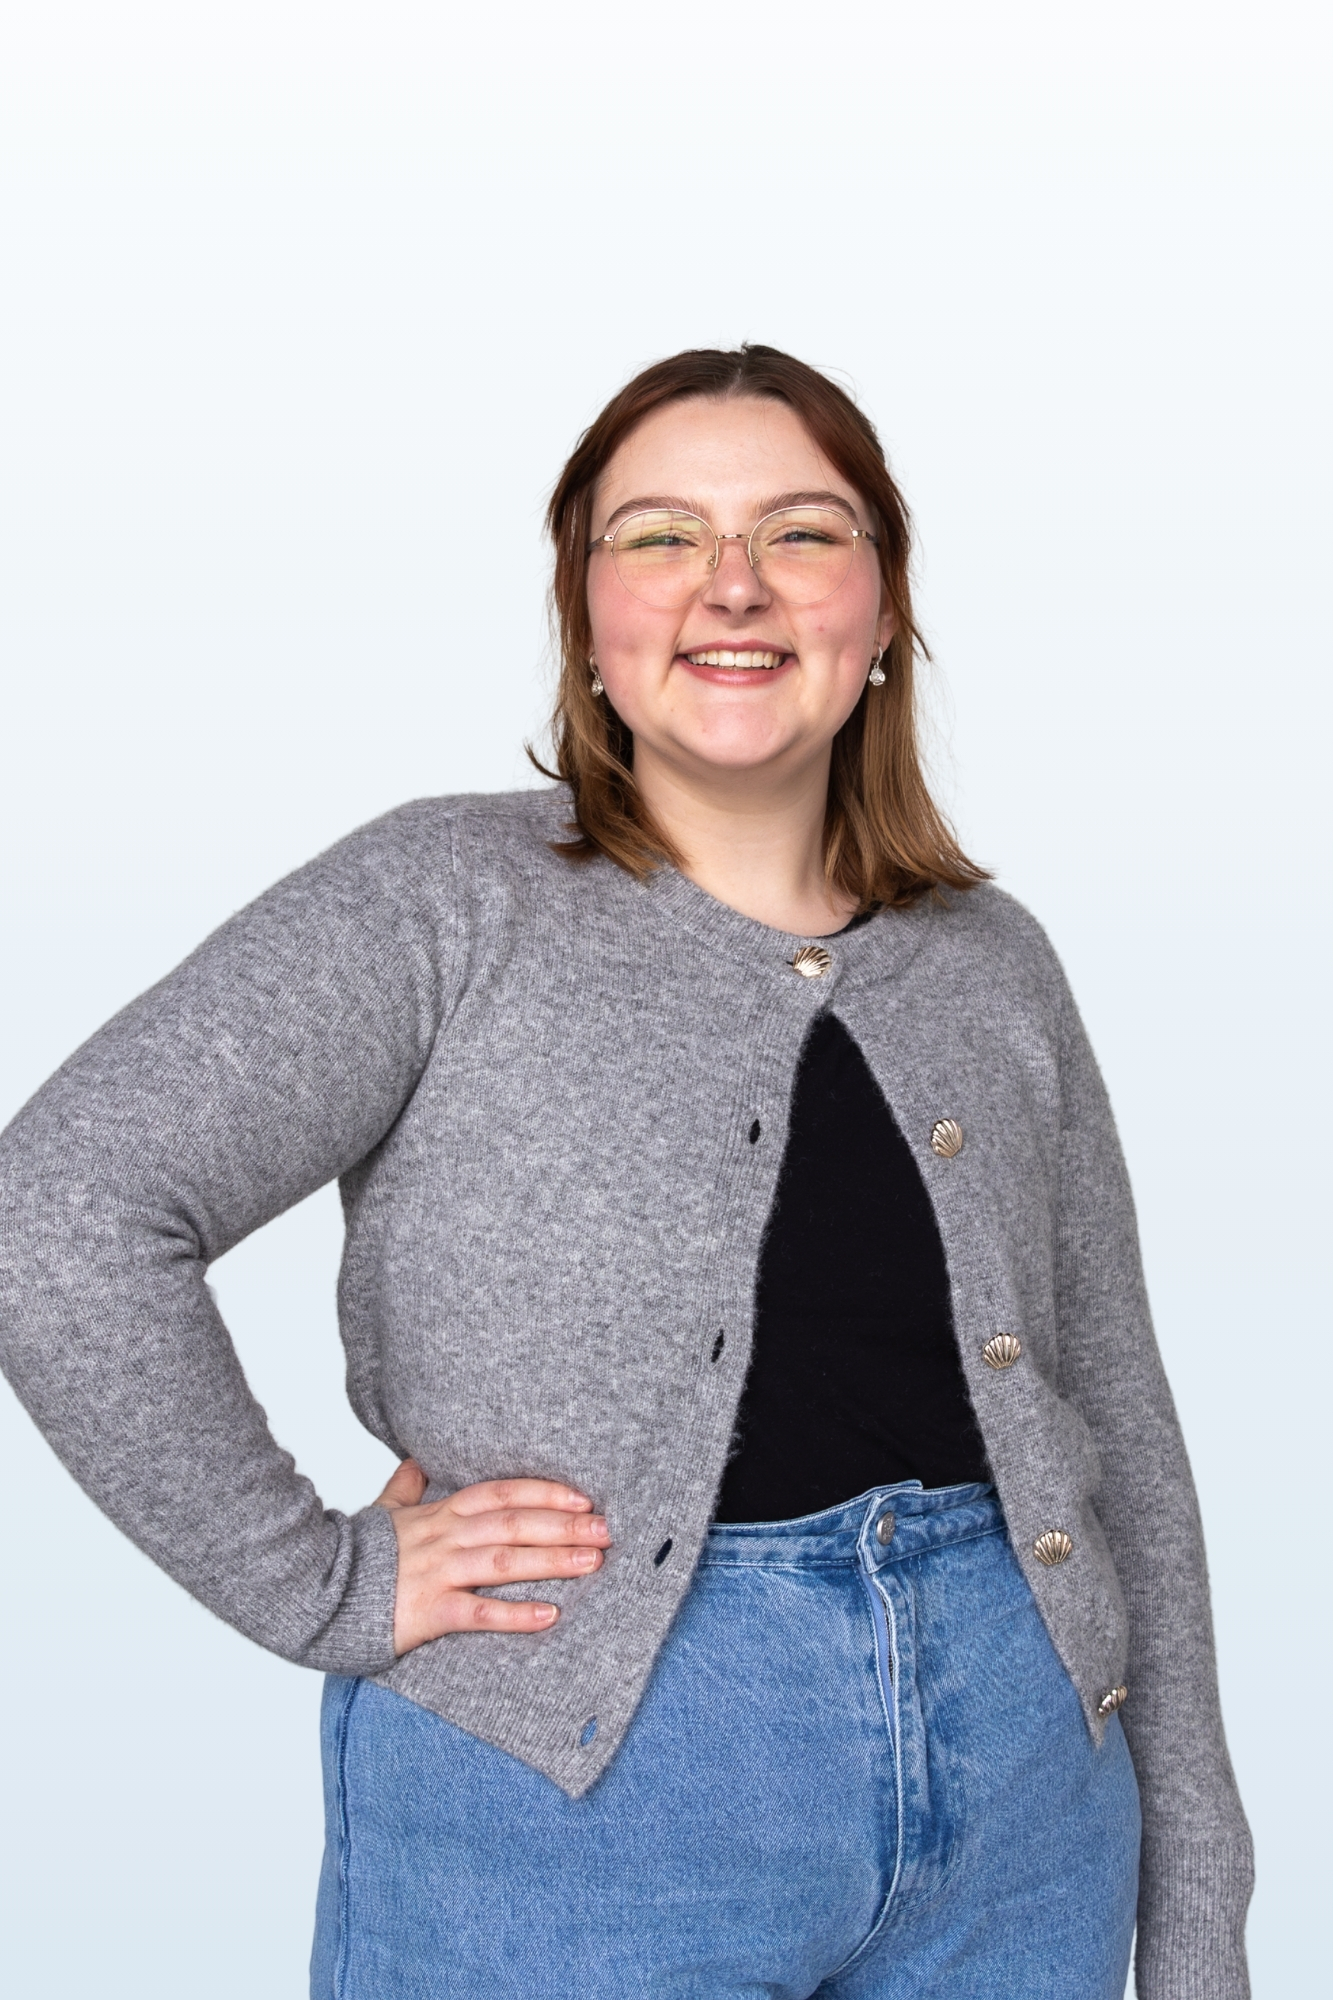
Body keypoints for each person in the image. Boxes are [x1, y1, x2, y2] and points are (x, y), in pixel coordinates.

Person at [0, 346, 1251, 1999]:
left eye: (801, 531)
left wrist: (1198, 1898)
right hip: (570, 1810)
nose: (731, 584)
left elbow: (1118, 1416)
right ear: (584, 618)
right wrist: (315, 1583)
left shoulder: (991, 961)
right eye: (658, 535)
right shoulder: (439, 901)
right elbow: (59, 1211)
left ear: (882, 607)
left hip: (1025, 1811)